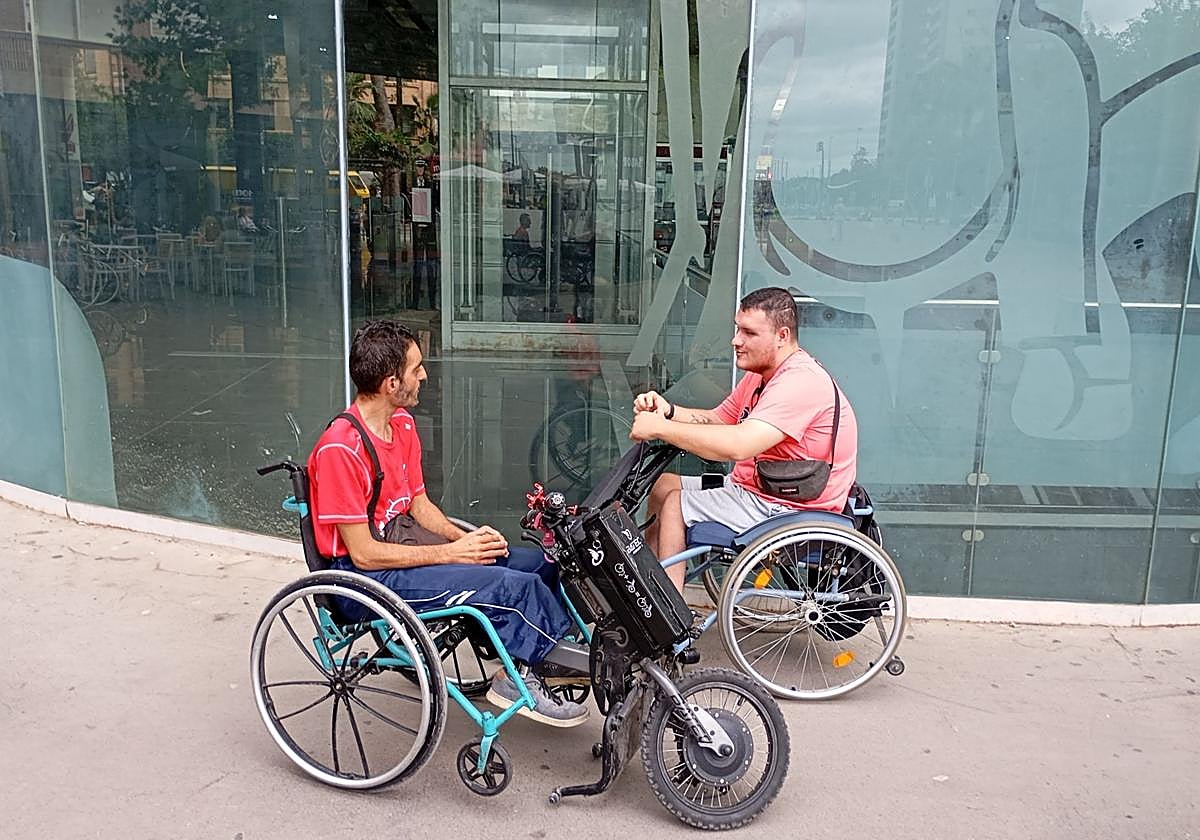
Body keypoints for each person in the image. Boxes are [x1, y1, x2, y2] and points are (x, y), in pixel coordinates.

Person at [307, 319, 588, 727]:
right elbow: (364, 555)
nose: (425, 375)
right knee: (513, 587)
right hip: (364, 578)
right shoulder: (341, 451)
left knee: (540, 565)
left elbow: (418, 505)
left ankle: (545, 656)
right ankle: (524, 674)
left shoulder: (400, 425)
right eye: (416, 368)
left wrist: (470, 539)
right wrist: (454, 552)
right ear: (390, 383)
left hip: (404, 544)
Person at [629, 286, 858, 591]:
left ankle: (669, 614)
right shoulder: (762, 374)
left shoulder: (799, 383)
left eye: (749, 333)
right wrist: (668, 410)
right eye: (738, 329)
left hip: (790, 506)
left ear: (782, 335)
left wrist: (660, 429)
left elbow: (739, 445)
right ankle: (647, 583)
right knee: (663, 485)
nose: (735, 340)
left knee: (674, 504)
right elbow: (719, 419)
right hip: (760, 489)